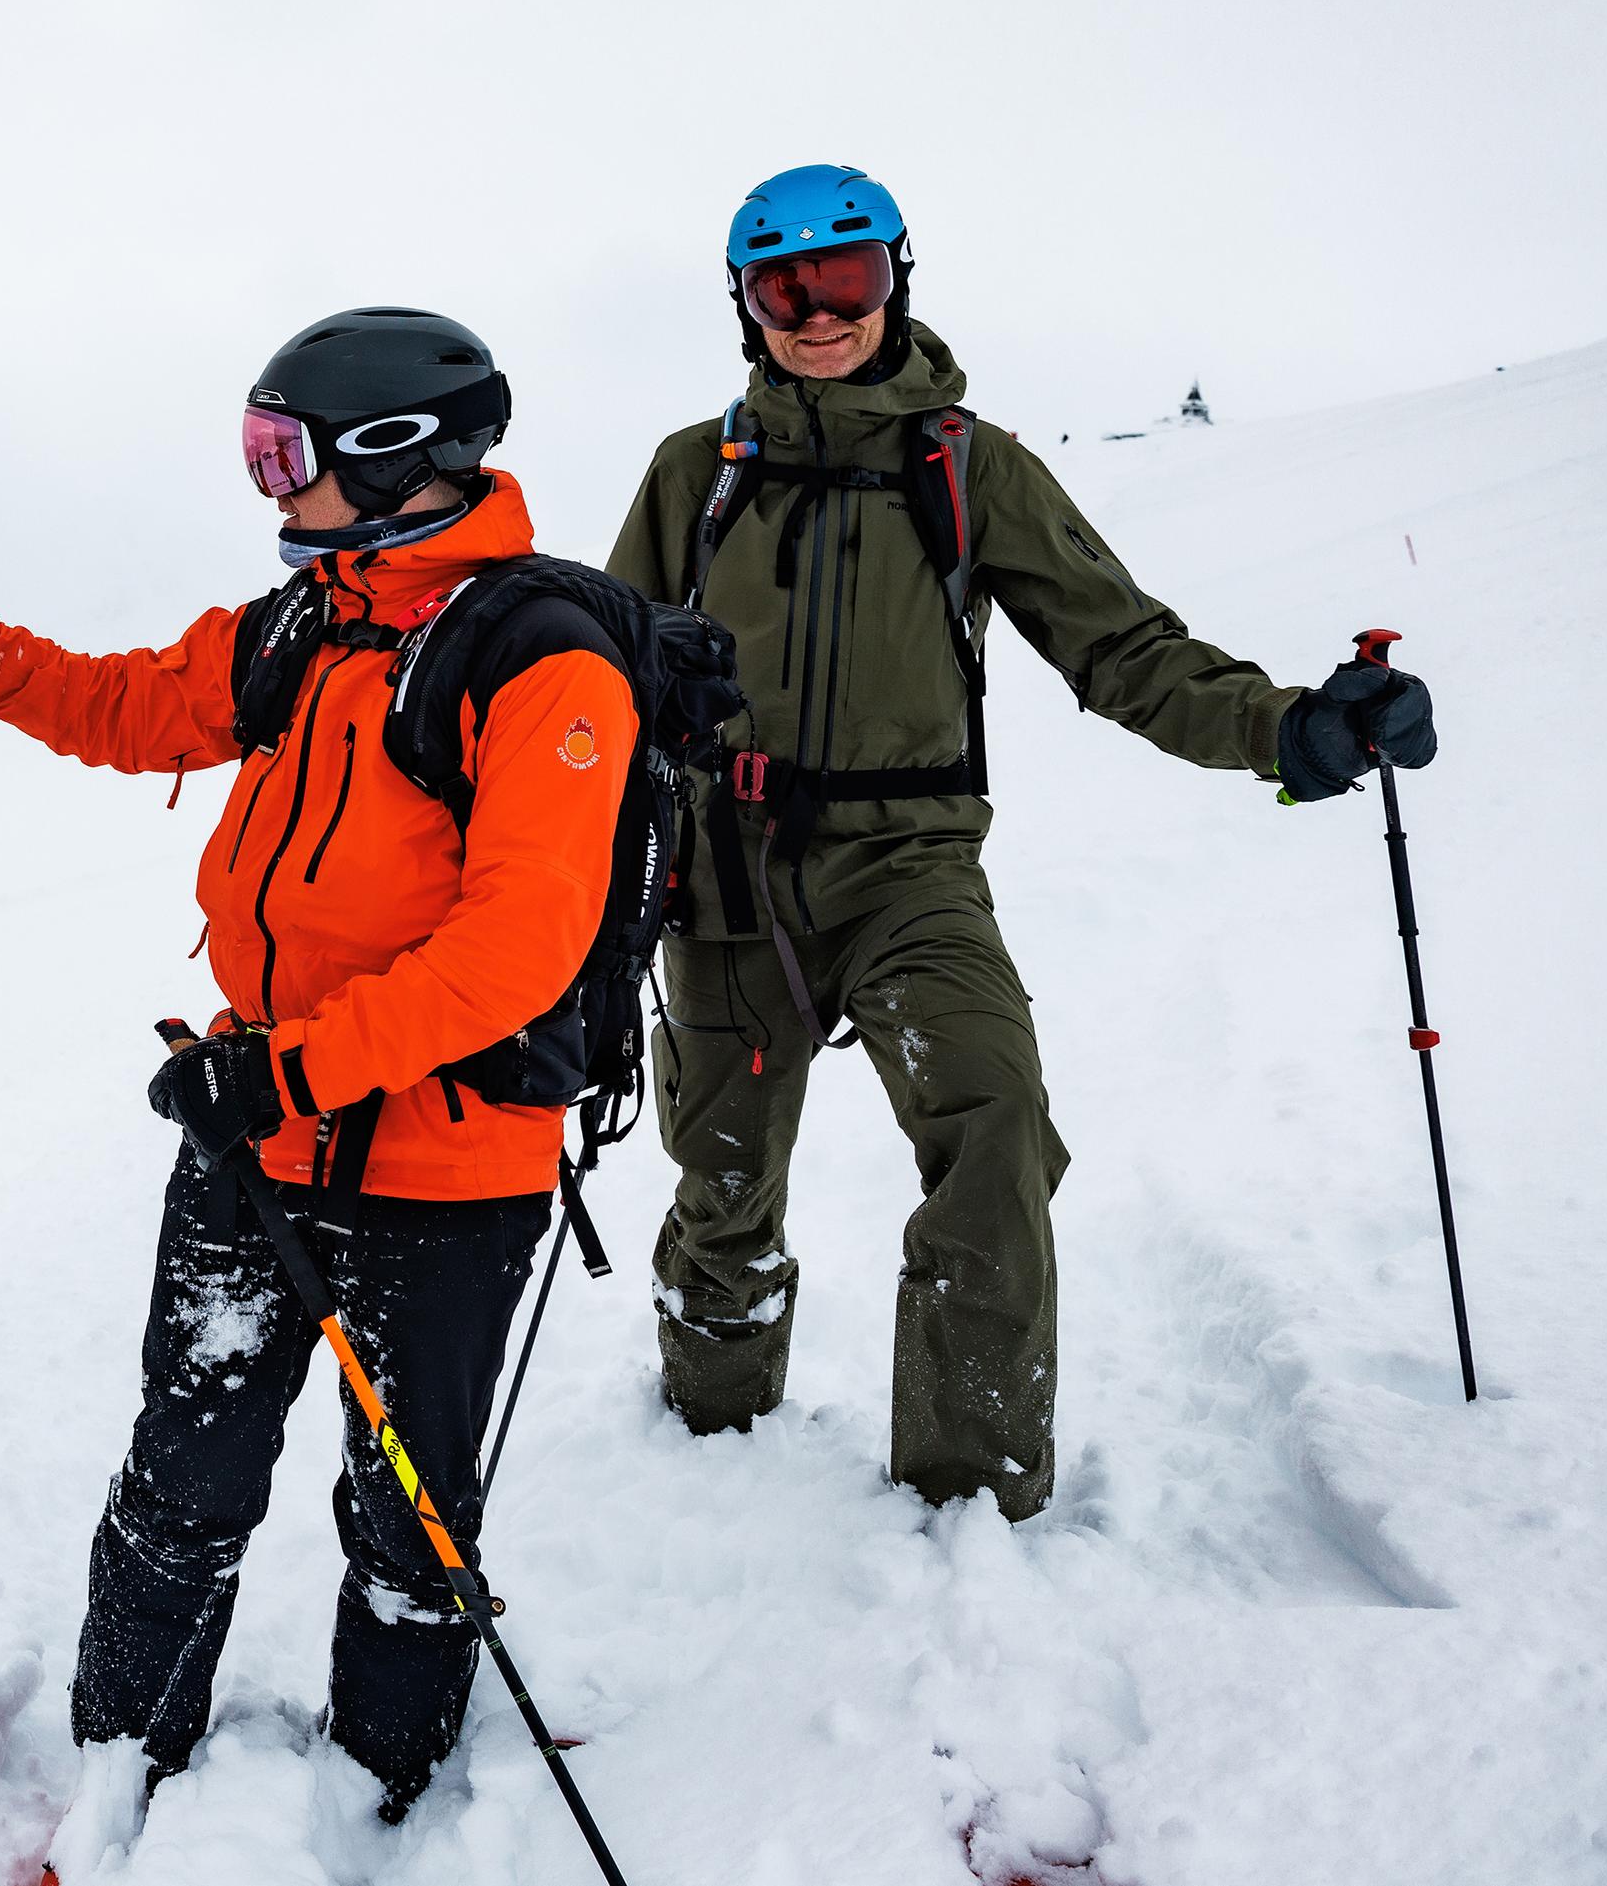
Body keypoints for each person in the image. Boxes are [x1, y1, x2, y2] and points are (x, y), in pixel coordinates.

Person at [0, 308, 636, 1828]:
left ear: (398, 458)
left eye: (286, 455)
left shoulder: (540, 661)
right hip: (258, 1139)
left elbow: (518, 946)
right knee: (178, 1478)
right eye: (256, 452)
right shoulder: (297, 625)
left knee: (409, 1516)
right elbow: (109, 707)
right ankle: (119, 1763)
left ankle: (382, 1793)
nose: (267, 489)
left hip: (448, 1170)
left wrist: (293, 1073)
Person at [606, 166, 1438, 1518]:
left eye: (849, 278)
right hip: (727, 873)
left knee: (995, 1129)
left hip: (909, 869)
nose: (820, 312)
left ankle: (968, 1487)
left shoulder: (966, 466)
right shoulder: (696, 474)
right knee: (724, 1177)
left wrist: (1290, 735)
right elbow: (595, 684)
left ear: (897, 280)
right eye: (785, 286)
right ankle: (708, 1432)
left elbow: (1120, 646)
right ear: (746, 305)